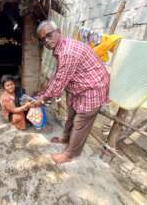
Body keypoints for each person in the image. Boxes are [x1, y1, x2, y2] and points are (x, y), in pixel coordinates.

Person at [33, 20, 110, 164]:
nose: (47, 41)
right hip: (80, 87)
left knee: (80, 122)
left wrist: (42, 99)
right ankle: (65, 139)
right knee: (71, 114)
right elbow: (58, 74)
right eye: (43, 39)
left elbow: (59, 82)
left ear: (59, 32)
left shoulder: (67, 52)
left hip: (93, 88)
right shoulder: (61, 48)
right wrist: (44, 92)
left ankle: (70, 154)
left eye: (49, 35)